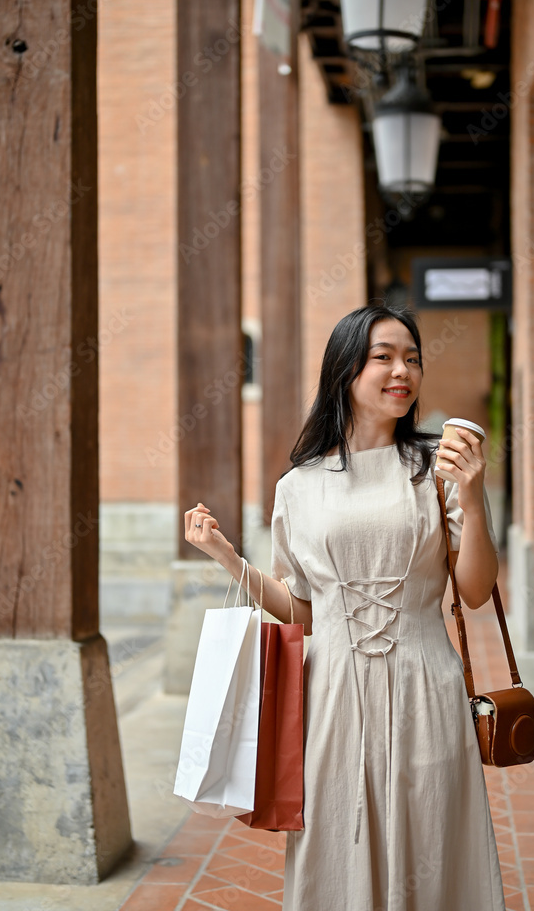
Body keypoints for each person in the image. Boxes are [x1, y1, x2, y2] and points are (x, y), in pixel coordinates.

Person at [184, 303, 506, 911]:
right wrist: (228, 557)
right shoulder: (299, 485)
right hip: (330, 692)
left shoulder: (436, 470)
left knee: (433, 834)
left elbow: (475, 590)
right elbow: (303, 613)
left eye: (412, 358)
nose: (401, 371)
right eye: (382, 356)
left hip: (425, 684)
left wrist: (472, 492)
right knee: (339, 837)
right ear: (346, 371)